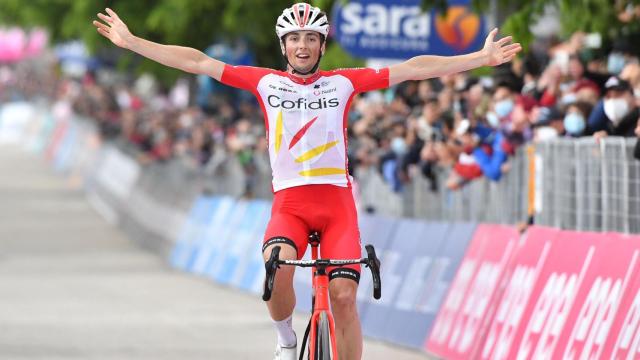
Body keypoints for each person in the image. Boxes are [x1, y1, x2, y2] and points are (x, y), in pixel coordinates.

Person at [93, 4, 521, 359]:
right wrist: (132, 43)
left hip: (336, 203)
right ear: (284, 46)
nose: (303, 45)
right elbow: (198, 61)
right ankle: (285, 339)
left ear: (321, 45)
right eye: (295, 38)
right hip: (290, 205)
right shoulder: (264, 81)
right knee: (275, 266)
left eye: (311, 38)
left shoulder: (342, 83)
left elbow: (412, 69)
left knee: (344, 298)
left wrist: (479, 59)